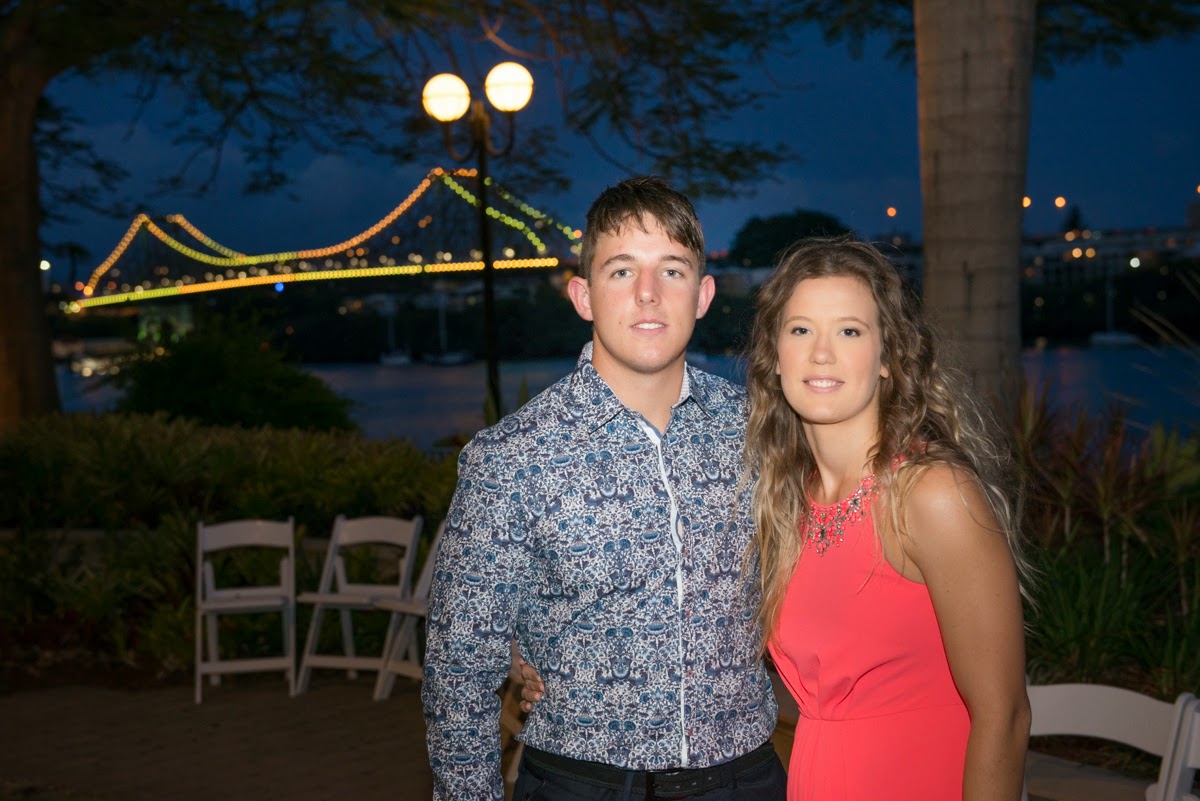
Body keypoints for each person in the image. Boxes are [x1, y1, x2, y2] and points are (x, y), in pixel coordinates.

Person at [422, 175, 786, 801]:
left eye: (671, 270)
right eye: (621, 271)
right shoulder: (510, 458)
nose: (648, 293)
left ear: (703, 295)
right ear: (583, 296)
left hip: (745, 779)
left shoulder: (760, 431)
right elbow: (459, 676)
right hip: (582, 785)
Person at [746, 236, 1032, 800]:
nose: (821, 353)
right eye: (800, 330)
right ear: (775, 356)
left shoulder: (931, 495)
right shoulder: (787, 501)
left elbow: (1005, 716)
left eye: (849, 331)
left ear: (887, 358)